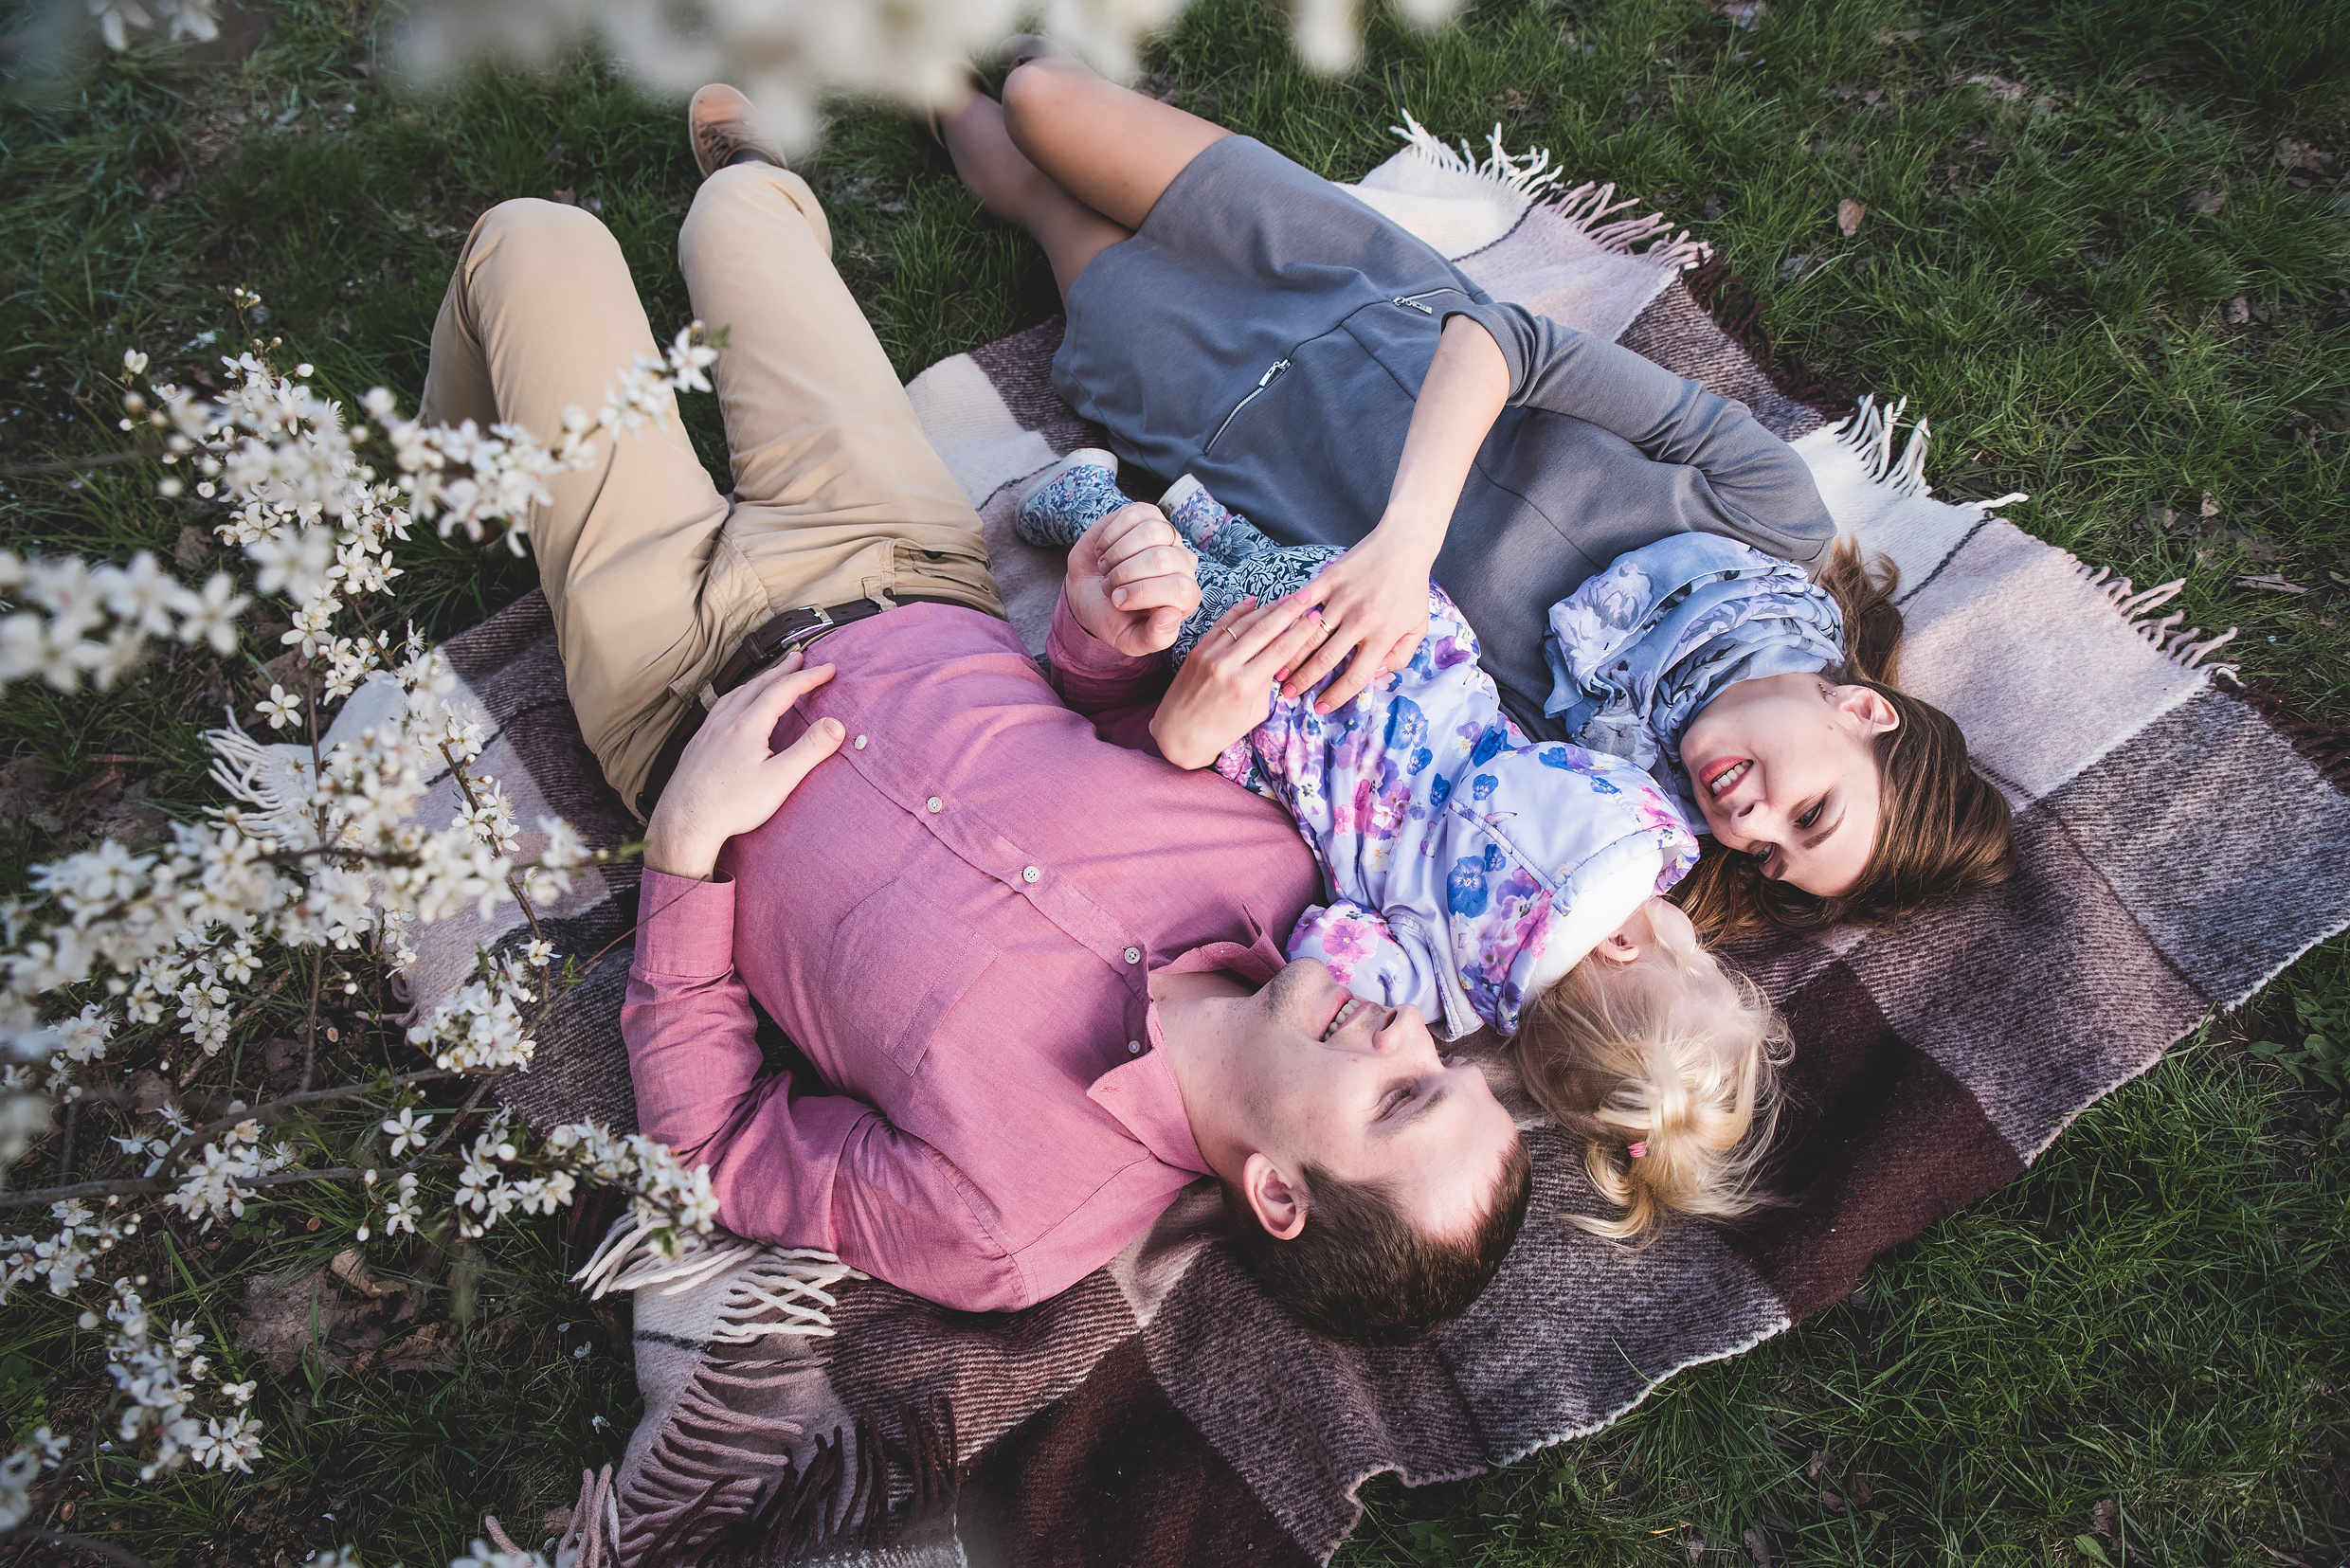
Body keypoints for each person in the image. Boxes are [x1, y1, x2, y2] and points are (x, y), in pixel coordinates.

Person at [416, 85, 1529, 1344]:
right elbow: (1083, 723)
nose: (1402, 1031)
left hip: (674, 672)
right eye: (1438, 1062)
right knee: (739, 215)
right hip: (894, 552)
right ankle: (755, 196)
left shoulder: (1004, 1220)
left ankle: (466, 453)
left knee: (534, 243)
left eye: (1397, 1100)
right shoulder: (1274, 865)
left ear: (1277, 1189)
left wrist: (684, 854)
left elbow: (715, 1152)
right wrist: (1105, 629)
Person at [937, 42, 2015, 934]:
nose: (1754, 825)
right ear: (1859, 709)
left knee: (1032, 196)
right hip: (1350, 278)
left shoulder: (1584, 771)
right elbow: (1499, 337)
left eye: (1772, 859)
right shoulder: (1766, 519)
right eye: (1811, 811)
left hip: (1219, 413)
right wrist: (1403, 551)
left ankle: (902, 57)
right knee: (1040, 96)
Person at [1021, 456, 1791, 1240]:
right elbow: (1322, 951)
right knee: (1188, 607)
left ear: (1626, 942)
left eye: (1699, 960)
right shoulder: (1440, 989)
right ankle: (1085, 505)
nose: (1699, 936)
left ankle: (1186, 513)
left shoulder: (1631, 823)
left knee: (1261, 571)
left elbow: (1582, 755)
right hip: (1290, 706)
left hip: (1391, 629)